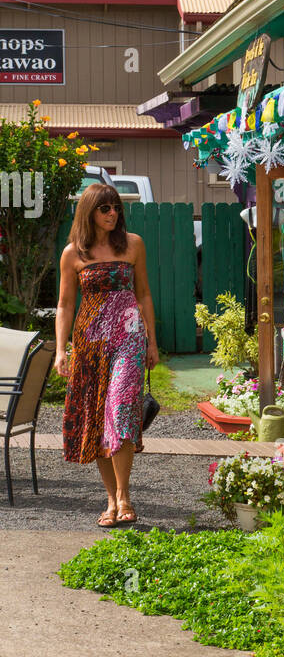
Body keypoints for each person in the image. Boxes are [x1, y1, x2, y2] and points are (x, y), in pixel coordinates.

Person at [55, 184, 158, 526]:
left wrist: (152, 342)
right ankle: (111, 499)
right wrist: (60, 350)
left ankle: (125, 494)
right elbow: (65, 304)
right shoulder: (73, 254)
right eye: (105, 209)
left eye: (115, 207)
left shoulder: (133, 244)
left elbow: (143, 294)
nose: (113, 213)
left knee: (119, 409)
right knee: (98, 416)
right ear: (89, 213)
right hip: (90, 341)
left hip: (129, 336)